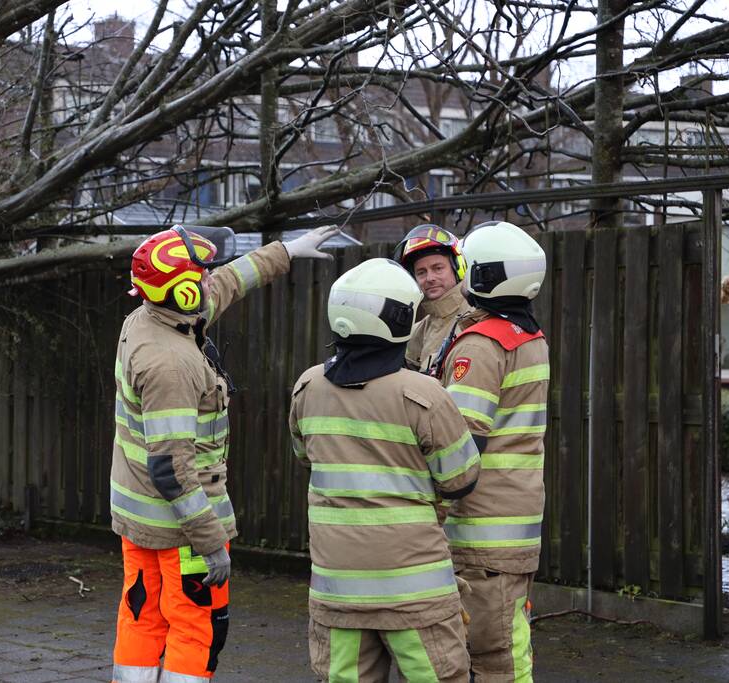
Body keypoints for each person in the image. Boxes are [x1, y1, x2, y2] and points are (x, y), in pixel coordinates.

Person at [111, 224, 340, 683]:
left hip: (141, 522)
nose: (209, 281)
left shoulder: (155, 317)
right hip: (183, 529)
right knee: (198, 629)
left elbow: (230, 281)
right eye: (200, 276)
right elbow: (171, 469)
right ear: (182, 290)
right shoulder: (171, 364)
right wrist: (211, 541)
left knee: (143, 614)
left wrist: (287, 252)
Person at [289, 258, 480, 683]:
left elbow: (305, 457)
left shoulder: (307, 388)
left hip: (337, 589)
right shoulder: (423, 394)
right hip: (415, 593)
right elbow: (460, 479)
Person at [438, 221, 549, 683]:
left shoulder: (484, 345)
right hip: (512, 525)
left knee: (490, 654)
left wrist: (430, 510)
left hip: (481, 531)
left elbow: (460, 445)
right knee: (511, 639)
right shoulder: (527, 337)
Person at [393, 225, 470, 375]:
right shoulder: (417, 330)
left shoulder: (474, 317)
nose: (430, 278)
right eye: (421, 272)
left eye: (438, 268)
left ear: (457, 267)